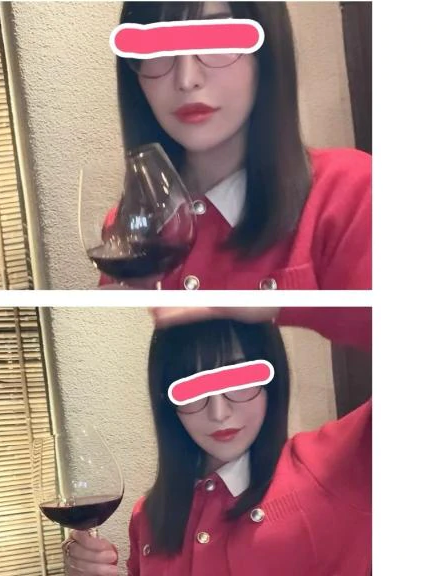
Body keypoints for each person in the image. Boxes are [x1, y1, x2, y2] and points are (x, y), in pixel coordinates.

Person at [62, 307, 372, 575]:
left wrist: (283, 306)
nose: (219, 412)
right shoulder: (149, 516)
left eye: (239, 380)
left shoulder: (337, 463)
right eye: (192, 390)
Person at [100, 1, 371, 290]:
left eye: (217, 37)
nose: (187, 80)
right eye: (157, 45)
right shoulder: (131, 227)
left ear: (266, 53)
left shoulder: (352, 193)